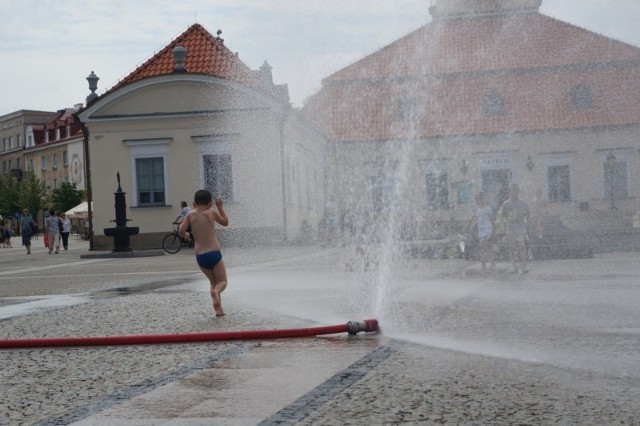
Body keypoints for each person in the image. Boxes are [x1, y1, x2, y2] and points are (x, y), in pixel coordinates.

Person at [179, 190, 229, 317]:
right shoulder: (211, 212)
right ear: (209, 203)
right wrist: (220, 207)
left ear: (194, 203)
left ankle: (219, 310)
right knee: (222, 281)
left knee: (213, 282)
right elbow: (225, 222)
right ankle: (217, 293)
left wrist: (186, 235)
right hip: (214, 253)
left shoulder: (190, 214)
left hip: (200, 256)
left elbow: (181, 230)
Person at [499, 184, 530, 274]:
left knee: (522, 246)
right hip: (511, 228)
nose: (513, 193)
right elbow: (502, 215)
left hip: (520, 227)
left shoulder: (522, 203)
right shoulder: (506, 203)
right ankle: (514, 266)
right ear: (509, 193)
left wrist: (520, 215)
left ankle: (524, 266)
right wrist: (503, 225)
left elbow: (527, 213)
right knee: (512, 247)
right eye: (511, 192)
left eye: (515, 191)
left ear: (517, 192)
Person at [468, 192, 495, 271]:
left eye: (478, 199)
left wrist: (493, 231)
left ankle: (483, 265)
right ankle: (491, 261)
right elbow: (476, 220)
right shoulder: (478, 210)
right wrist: (471, 228)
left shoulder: (487, 209)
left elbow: (492, 219)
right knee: (484, 248)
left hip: (487, 229)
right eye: (476, 200)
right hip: (481, 230)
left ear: (482, 199)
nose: (477, 201)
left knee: (482, 246)